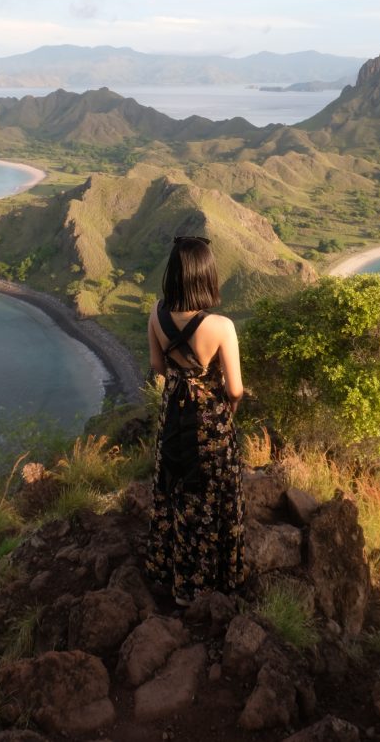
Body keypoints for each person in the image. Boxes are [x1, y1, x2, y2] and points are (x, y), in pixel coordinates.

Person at [144, 234, 245, 605]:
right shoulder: (221, 327)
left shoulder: (156, 313)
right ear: (206, 276)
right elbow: (235, 389)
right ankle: (214, 581)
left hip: (174, 411)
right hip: (209, 421)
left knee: (172, 487)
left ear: (173, 275)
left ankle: (168, 572)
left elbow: (157, 366)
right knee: (209, 496)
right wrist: (227, 410)